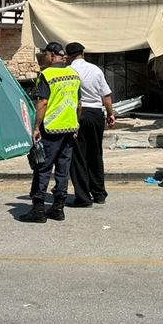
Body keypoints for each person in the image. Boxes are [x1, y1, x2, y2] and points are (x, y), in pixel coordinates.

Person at [19, 42, 82, 223]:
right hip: (69, 129)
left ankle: (38, 209)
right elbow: (79, 103)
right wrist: (76, 124)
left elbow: (43, 102)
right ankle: (58, 208)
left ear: (52, 55)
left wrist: (36, 127)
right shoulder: (74, 75)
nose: (44, 57)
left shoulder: (47, 74)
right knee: (63, 169)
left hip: (51, 128)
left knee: (43, 168)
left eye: (45, 54)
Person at [65, 42, 116, 208]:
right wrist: (110, 114)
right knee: (95, 153)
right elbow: (106, 96)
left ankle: (83, 197)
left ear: (68, 56)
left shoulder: (68, 71)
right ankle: (99, 193)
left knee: (78, 156)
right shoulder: (95, 70)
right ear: (83, 54)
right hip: (95, 114)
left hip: (77, 114)